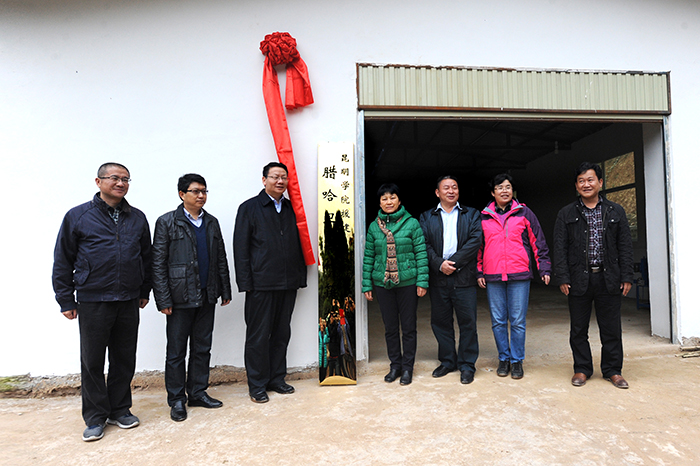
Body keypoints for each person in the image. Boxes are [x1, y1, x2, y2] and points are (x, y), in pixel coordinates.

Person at [52, 163, 152, 442]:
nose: (121, 183)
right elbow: (63, 259)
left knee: (124, 358)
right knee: (92, 361)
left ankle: (120, 410)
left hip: (128, 299)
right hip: (93, 299)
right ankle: (95, 417)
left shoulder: (137, 217)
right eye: (114, 178)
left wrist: (144, 290)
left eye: (126, 179)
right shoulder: (78, 216)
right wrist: (65, 299)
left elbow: (146, 257)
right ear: (98, 181)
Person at [152, 174, 232, 422]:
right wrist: (163, 299)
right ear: (181, 194)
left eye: (204, 191)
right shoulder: (167, 222)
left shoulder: (211, 222)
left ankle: (197, 392)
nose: (201, 196)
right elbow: (158, 263)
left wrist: (225, 289)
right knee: (176, 351)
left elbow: (220, 257)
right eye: (195, 191)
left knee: (202, 348)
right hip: (180, 297)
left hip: (207, 294)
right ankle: (177, 399)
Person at [553, 162, 634, 389]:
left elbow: (625, 246)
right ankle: (582, 369)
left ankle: (613, 370)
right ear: (576, 185)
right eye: (581, 181)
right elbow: (559, 247)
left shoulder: (615, 211)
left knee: (611, 329)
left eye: (590, 180)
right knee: (578, 329)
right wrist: (563, 277)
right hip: (579, 278)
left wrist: (626, 276)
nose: (586, 184)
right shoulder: (566, 213)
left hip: (609, 278)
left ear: (600, 182)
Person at [233, 162, 308, 403]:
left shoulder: (291, 208)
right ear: (264, 179)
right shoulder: (249, 208)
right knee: (258, 336)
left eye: (283, 177)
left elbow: (299, 244)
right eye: (275, 177)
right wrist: (246, 283)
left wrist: (299, 277)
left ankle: (276, 379)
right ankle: (257, 385)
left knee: (281, 334)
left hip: (287, 283)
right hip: (260, 284)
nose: (280, 181)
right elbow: (240, 248)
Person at [477, 174, 551, 380]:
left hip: (519, 275)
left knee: (517, 321)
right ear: (492, 192)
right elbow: (478, 247)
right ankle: (504, 358)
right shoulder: (484, 217)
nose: (504, 191)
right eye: (500, 187)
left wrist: (544, 268)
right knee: (498, 321)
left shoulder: (525, 213)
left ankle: (517, 360)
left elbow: (538, 241)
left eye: (508, 187)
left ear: (513, 191)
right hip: (493, 275)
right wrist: (479, 271)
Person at [363, 183, 429, 386]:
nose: (388, 202)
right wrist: (367, 285)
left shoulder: (412, 223)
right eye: (384, 198)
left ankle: (408, 367)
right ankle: (395, 366)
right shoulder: (374, 226)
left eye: (392, 197)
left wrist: (422, 281)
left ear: (399, 201)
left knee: (408, 328)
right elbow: (369, 257)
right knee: (390, 328)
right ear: (379, 203)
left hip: (408, 283)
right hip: (383, 284)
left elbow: (421, 253)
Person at [420, 176, 483, 384]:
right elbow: (423, 244)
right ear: (437, 193)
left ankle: (467, 365)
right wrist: (439, 264)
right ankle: (448, 361)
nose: (451, 191)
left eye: (454, 187)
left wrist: (453, 263)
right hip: (439, 277)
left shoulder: (471, 214)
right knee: (441, 322)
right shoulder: (427, 216)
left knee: (468, 323)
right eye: (446, 188)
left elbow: (475, 240)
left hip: (464, 277)